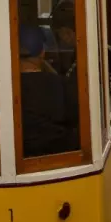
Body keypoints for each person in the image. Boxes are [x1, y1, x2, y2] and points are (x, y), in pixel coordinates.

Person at [17, 24, 78, 157]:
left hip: (21, 154)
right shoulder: (58, 84)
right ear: (42, 52)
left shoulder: (6, 86)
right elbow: (74, 117)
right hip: (58, 155)